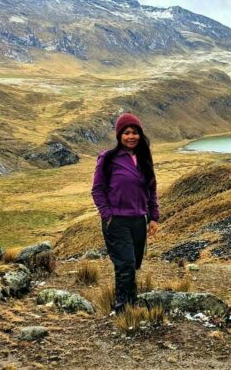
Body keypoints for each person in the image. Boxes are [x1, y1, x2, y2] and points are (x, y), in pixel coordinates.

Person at [91, 112, 159, 313]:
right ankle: (124, 310)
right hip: (117, 221)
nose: (131, 137)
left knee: (134, 263)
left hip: (139, 220)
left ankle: (132, 302)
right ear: (119, 135)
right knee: (125, 265)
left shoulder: (144, 158)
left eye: (135, 132)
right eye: (127, 133)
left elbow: (151, 189)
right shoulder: (108, 158)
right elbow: (97, 190)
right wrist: (107, 215)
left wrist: (153, 216)